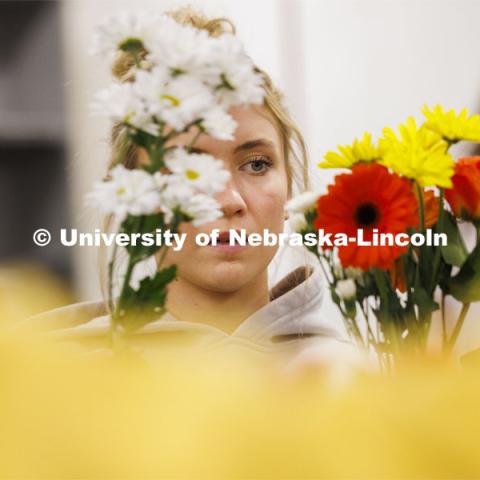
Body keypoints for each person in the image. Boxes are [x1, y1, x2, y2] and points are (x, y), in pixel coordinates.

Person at [21, 7, 367, 373]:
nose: (228, 201)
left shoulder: (350, 378)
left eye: (256, 165)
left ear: (288, 192)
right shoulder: (62, 376)